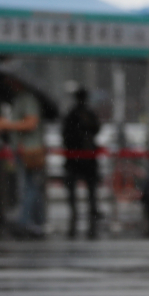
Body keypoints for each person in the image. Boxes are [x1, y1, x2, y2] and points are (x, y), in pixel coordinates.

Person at [0, 78, 47, 238]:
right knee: (31, 187)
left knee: (29, 187)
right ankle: (37, 223)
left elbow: (31, 123)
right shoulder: (18, 99)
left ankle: (26, 222)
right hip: (22, 151)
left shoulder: (28, 99)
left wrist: (7, 125)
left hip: (30, 151)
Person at [61, 87, 101, 239]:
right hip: (83, 157)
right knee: (88, 188)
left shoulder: (77, 114)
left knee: (80, 188)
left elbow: (66, 134)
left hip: (79, 157)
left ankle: (81, 211)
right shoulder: (82, 114)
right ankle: (87, 210)